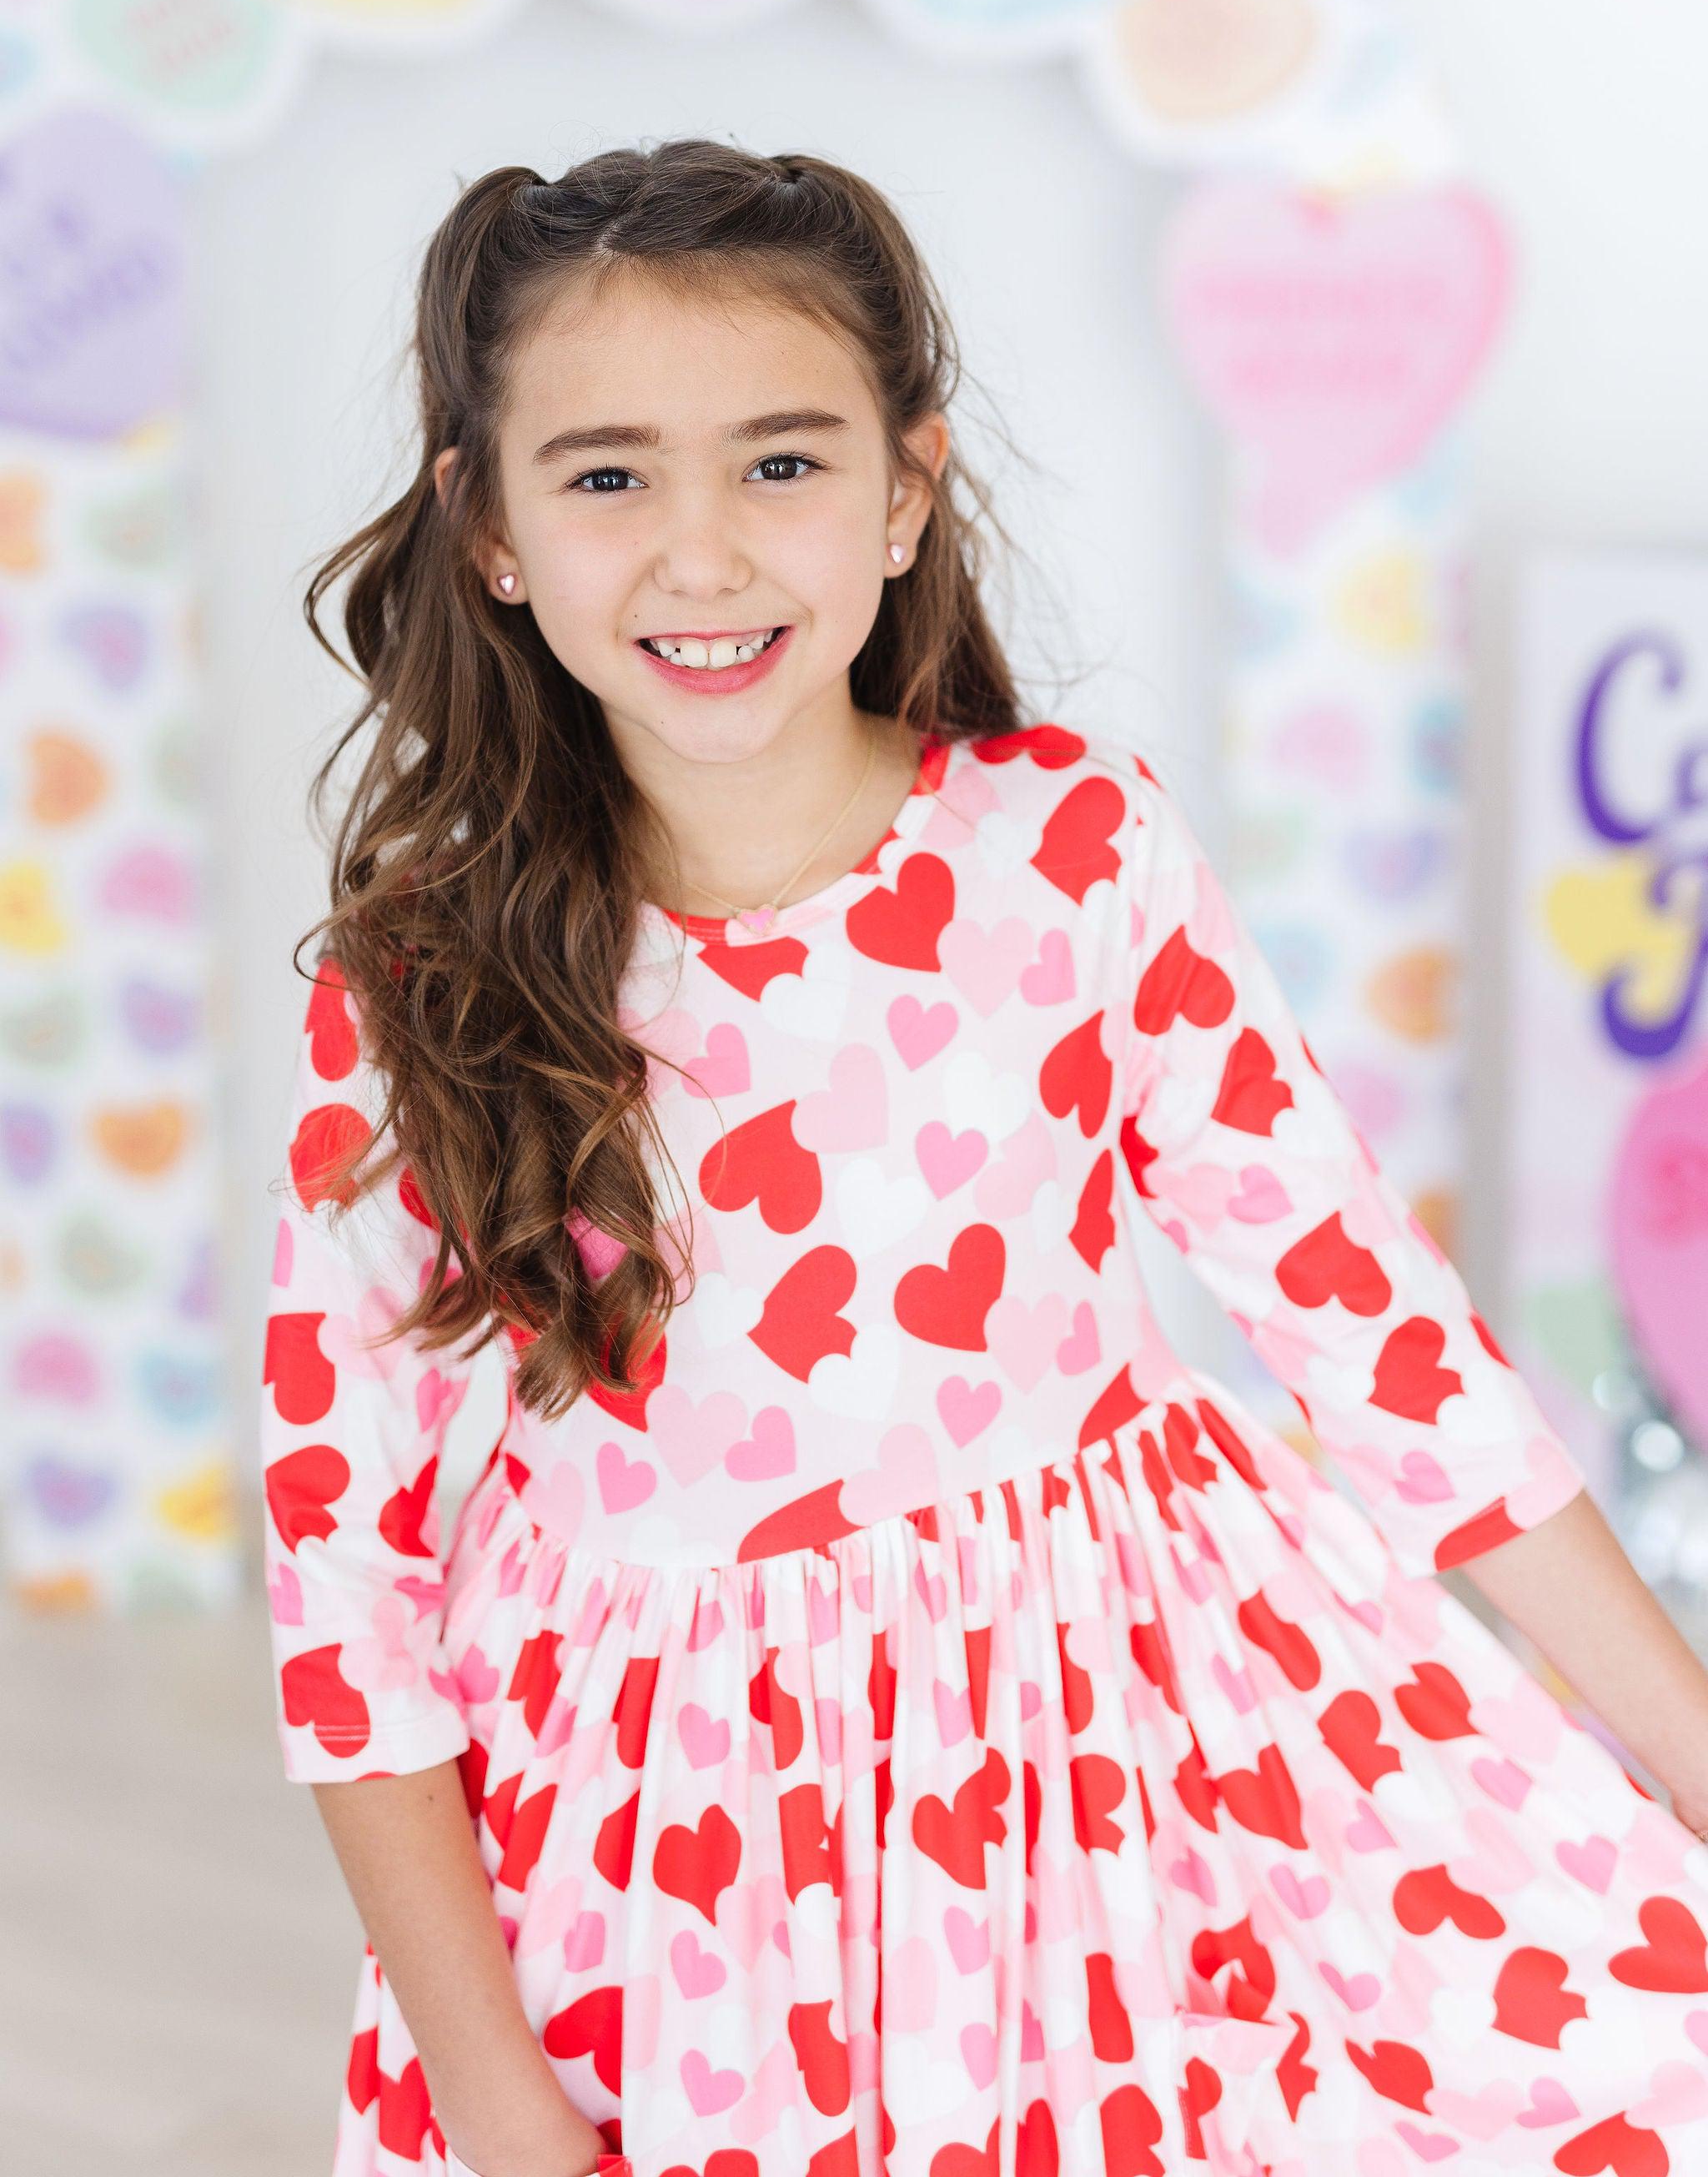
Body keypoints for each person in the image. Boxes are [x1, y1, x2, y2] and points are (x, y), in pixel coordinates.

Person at [259, 137, 1708, 2177]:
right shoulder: (418, 983)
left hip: (1118, 1768)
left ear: (904, 487)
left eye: (780, 462)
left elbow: (1386, 1350)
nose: (701, 555)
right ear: (487, 529)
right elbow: (349, 1585)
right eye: (606, 477)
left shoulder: (1074, 857)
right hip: (690, 1877)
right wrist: (495, 2092)